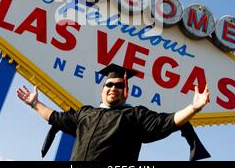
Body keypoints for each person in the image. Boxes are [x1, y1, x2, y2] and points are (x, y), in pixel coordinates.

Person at [17, 63, 211, 161]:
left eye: (119, 86)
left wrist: (193, 108)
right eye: (109, 84)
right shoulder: (86, 113)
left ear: (125, 91)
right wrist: (35, 104)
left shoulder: (134, 116)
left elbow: (166, 122)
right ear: (102, 89)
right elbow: (55, 118)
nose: (113, 88)